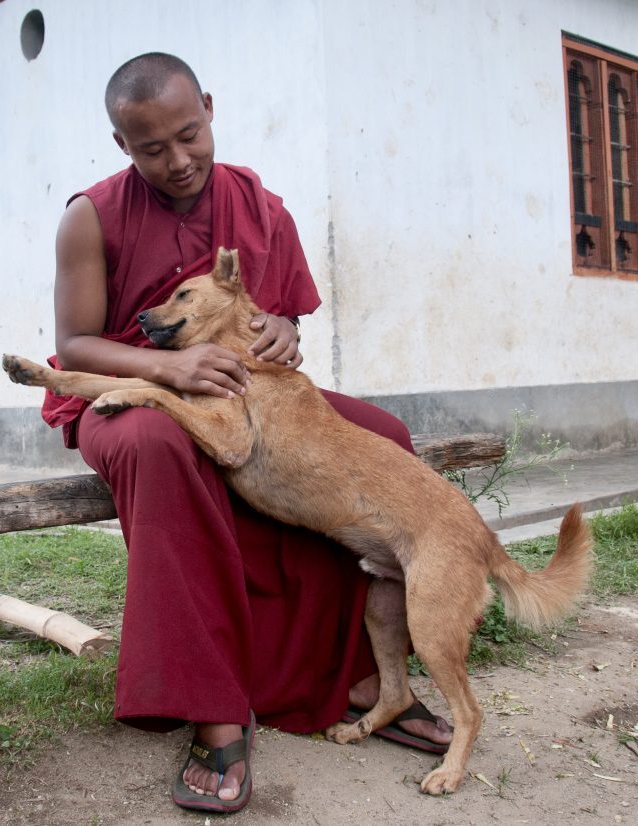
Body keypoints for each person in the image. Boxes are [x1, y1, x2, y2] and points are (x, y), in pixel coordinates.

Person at [41, 52, 451, 813]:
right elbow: (75, 347)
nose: (178, 160)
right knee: (163, 448)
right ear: (121, 146)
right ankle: (215, 711)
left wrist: (286, 334)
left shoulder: (260, 206)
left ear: (209, 106)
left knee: (384, 433)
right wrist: (171, 369)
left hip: (242, 392)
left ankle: (363, 672)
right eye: (151, 148)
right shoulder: (90, 217)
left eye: (189, 134)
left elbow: (285, 315)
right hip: (123, 396)